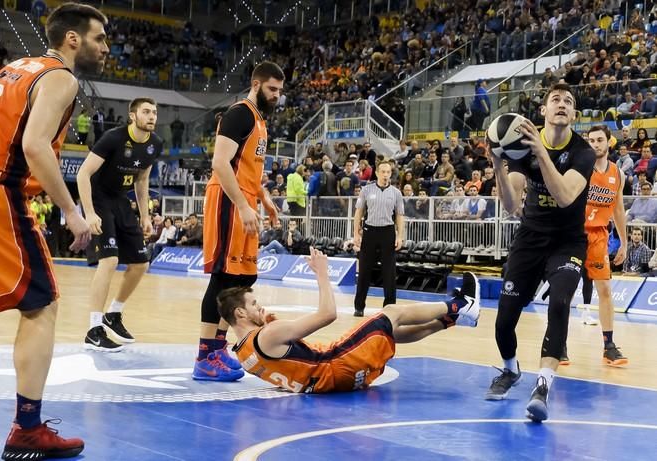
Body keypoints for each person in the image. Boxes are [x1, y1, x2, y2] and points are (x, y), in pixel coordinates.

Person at [0, 3, 107, 458]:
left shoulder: (13, 68)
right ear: (72, 39)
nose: (105, 48)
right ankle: (27, 427)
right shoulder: (60, 77)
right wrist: (71, 211)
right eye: (99, 39)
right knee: (41, 304)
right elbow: (33, 147)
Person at [221, 249, 481, 393]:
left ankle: (453, 319)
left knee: (389, 332)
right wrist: (322, 274)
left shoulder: (243, 354)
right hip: (336, 363)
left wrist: (263, 317)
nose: (261, 306)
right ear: (240, 314)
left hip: (333, 382)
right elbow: (327, 315)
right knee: (390, 313)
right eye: (253, 304)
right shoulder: (268, 335)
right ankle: (461, 304)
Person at [486, 83, 595, 423]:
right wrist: (498, 164)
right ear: (544, 111)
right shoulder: (521, 149)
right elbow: (510, 204)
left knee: (560, 302)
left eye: (569, 101)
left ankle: (543, 386)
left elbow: (565, 196)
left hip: (567, 241)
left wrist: (542, 154)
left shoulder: (583, 152)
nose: (562, 104)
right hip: (531, 237)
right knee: (504, 321)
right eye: (555, 100)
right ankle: (509, 370)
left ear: (573, 114)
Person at [194, 61, 284, 381]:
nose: (277, 96)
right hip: (228, 202)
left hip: (244, 201)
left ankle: (219, 348)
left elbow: (247, 167)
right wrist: (244, 206)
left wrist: (264, 197)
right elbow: (220, 163)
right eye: (272, 89)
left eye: (280, 91)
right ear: (256, 84)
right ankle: (205, 356)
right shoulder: (240, 113)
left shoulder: (259, 121)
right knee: (222, 277)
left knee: (241, 280)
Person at [77, 97, 162, 351]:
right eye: (146, 112)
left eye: (155, 113)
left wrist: (145, 215)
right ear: (132, 115)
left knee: (140, 264)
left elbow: (142, 180)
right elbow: (83, 174)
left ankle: (113, 314)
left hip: (121, 201)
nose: (152, 117)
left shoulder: (154, 144)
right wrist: (89, 213)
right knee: (110, 261)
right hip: (99, 199)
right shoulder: (113, 138)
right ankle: (93, 329)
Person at [561, 125, 628, 367]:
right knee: (564, 292)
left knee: (606, 291)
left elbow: (618, 210)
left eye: (600, 140)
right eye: (591, 140)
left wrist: (624, 241)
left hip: (599, 236)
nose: (595, 144)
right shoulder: (579, 169)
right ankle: (559, 344)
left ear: (609, 143)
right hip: (574, 234)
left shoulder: (617, 174)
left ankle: (609, 345)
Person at [353, 161, 405, 317]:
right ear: (376, 173)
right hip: (369, 232)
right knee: (364, 271)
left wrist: (400, 236)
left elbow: (400, 216)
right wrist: (356, 233)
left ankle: (389, 308)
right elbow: (359, 212)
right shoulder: (366, 190)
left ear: (391, 173)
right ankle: (359, 306)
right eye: (382, 171)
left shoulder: (396, 193)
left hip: (387, 232)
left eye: (388, 172)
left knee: (389, 272)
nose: (385, 175)